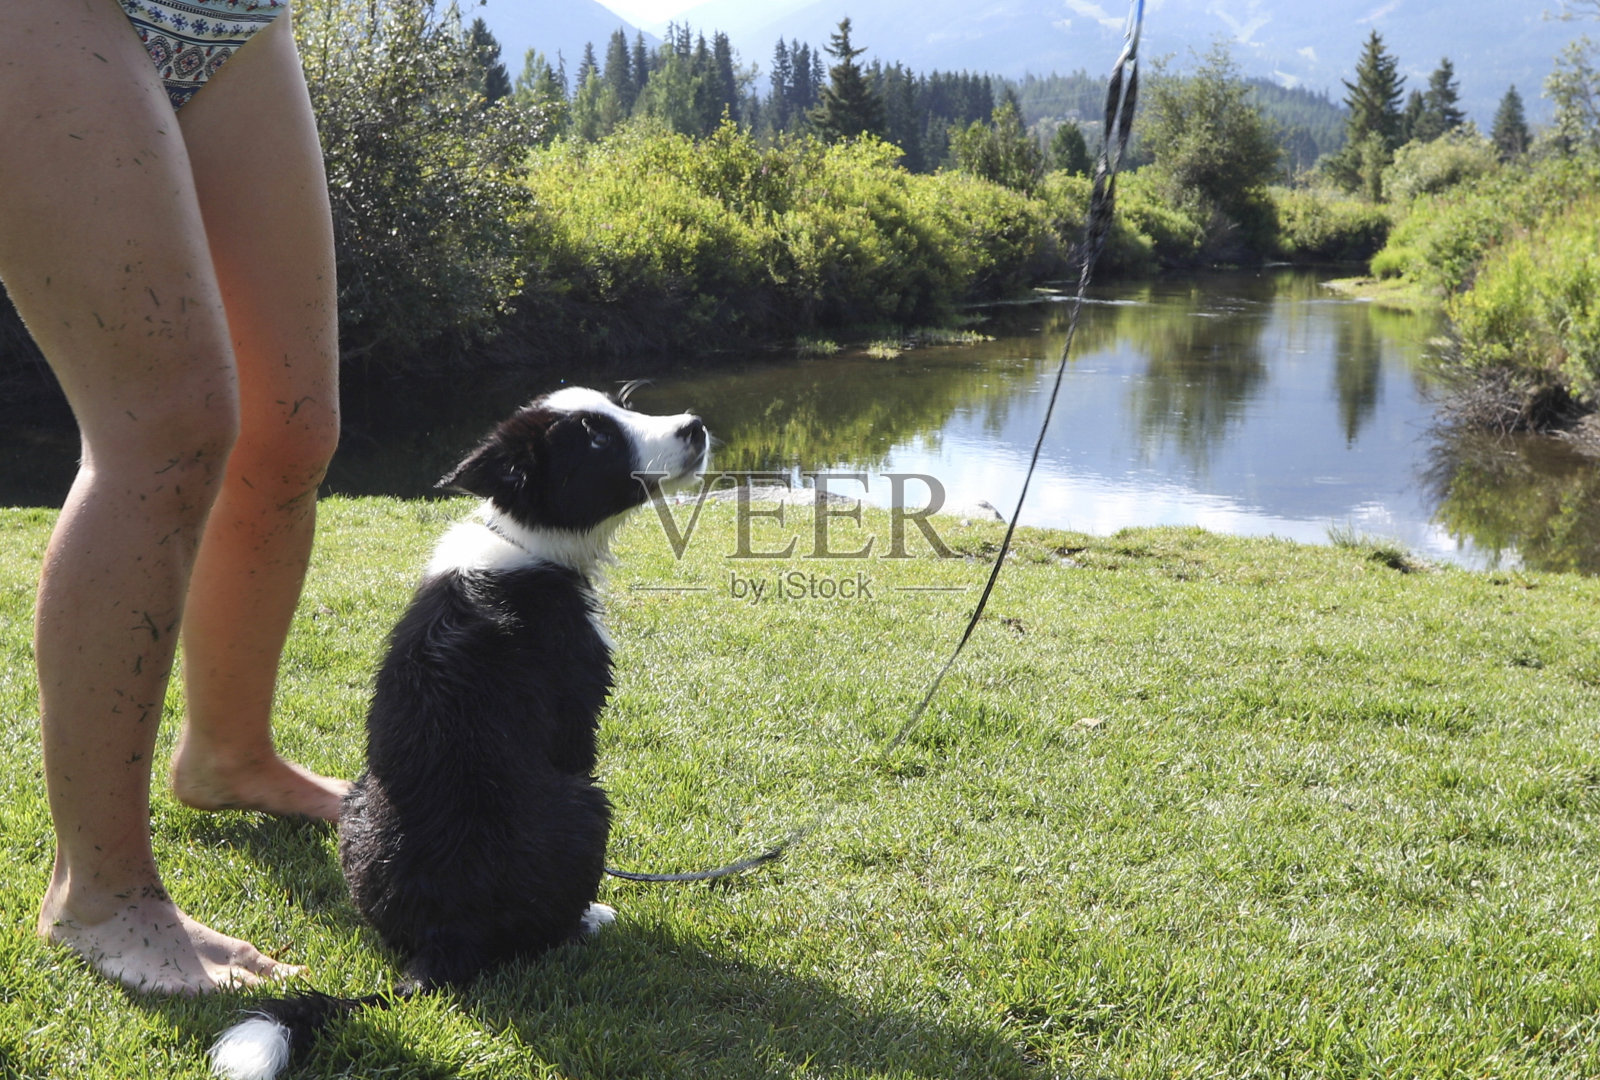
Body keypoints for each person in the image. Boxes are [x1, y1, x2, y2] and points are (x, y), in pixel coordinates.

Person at [0, 0, 348, 994]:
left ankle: (231, 757)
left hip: (232, 13)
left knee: (289, 431)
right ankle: (98, 894)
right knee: (164, 428)